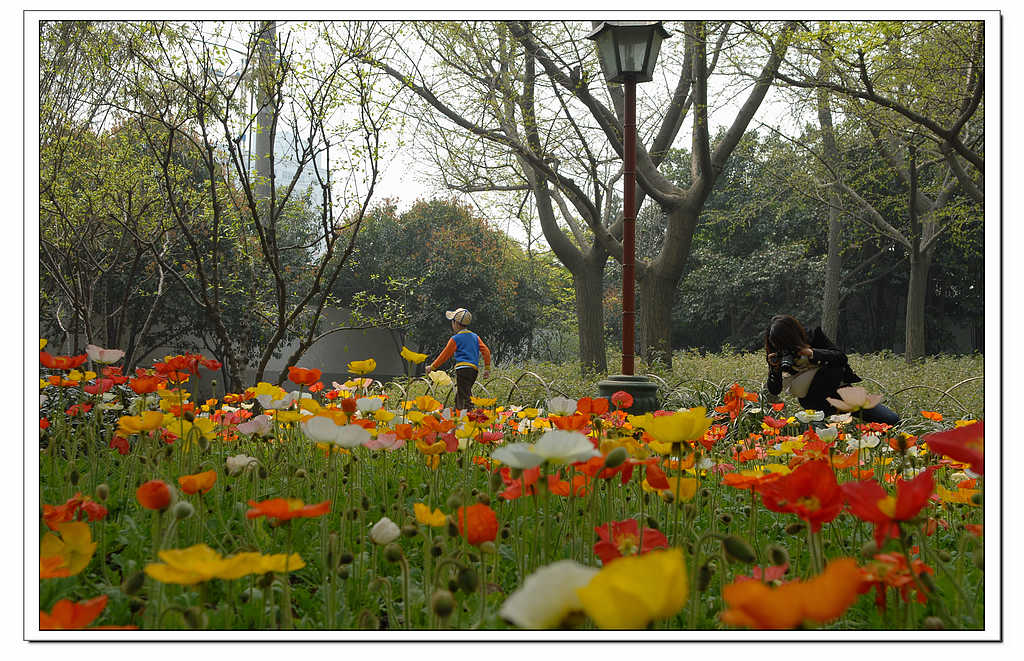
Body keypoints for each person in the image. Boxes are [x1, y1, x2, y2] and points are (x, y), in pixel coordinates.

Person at [764, 314, 900, 426]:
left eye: (786, 344)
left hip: (842, 392)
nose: (783, 348)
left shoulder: (813, 336)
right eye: (778, 345)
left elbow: (840, 357)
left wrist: (811, 353)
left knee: (891, 419)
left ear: (793, 336)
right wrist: (774, 370)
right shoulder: (776, 350)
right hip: (814, 402)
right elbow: (774, 390)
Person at [425, 307, 492, 412]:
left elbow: (444, 355)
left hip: (462, 369)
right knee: (462, 392)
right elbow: (486, 351)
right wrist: (487, 368)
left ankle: (470, 415)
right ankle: (457, 412)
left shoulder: (455, 339)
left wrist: (432, 367)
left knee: (465, 395)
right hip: (474, 370)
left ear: (455, 323)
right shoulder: (475, 337)